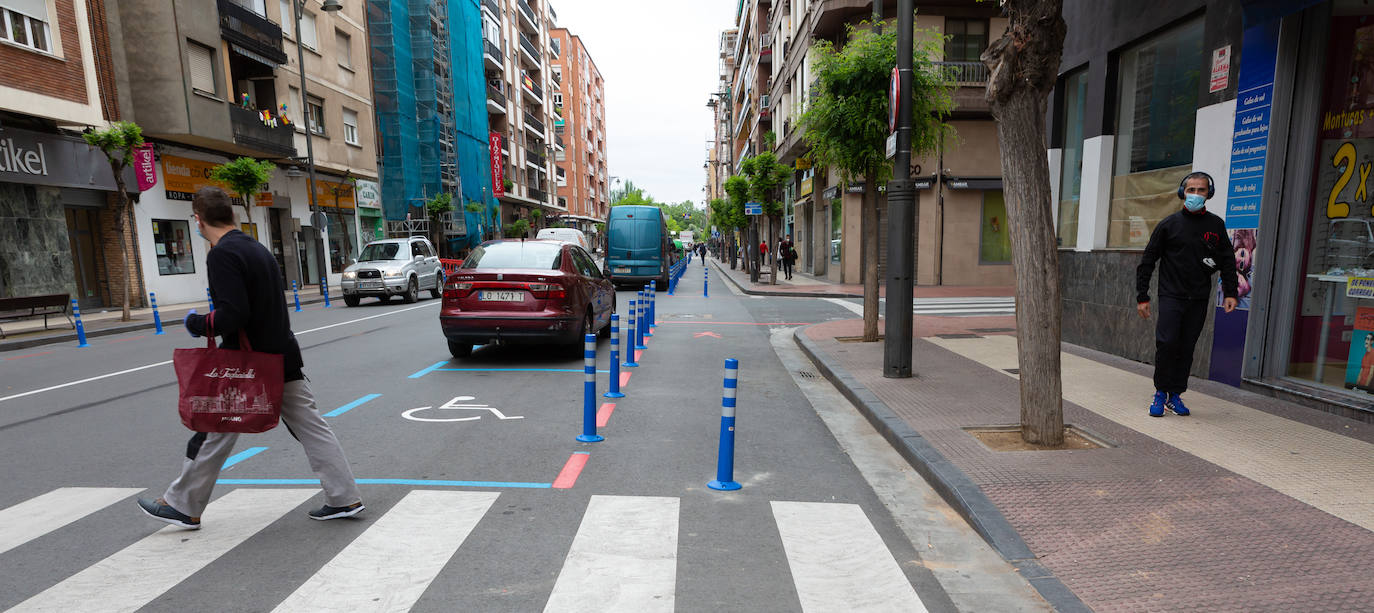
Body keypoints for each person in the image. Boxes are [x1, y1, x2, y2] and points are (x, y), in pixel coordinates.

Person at [138, 187, 364, 529]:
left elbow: (233, 314)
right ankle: (344, 497)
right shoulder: (256, 248)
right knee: (311, 428)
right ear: (231, 214)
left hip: (248, 364)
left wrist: (196, 323)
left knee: (213, 427)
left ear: (198, 220)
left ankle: (183, 505)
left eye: (196, 222)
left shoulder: (222, 254)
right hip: (281, 355)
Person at [1136, 171, 1238, 418]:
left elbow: (1227, 260)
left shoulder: (1216, 225)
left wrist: (1231, 292)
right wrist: (1142, 296)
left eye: (1201, 190)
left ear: (1209, 194)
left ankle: (1176, 395)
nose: (1195, 195)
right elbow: (1148, 260)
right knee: (1167, 344)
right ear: (1183, 192)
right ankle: (1160, 393)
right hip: (1171, 296)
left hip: (1199, 298)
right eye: (1190, 190)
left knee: (1186, 347)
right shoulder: (1168, 225)